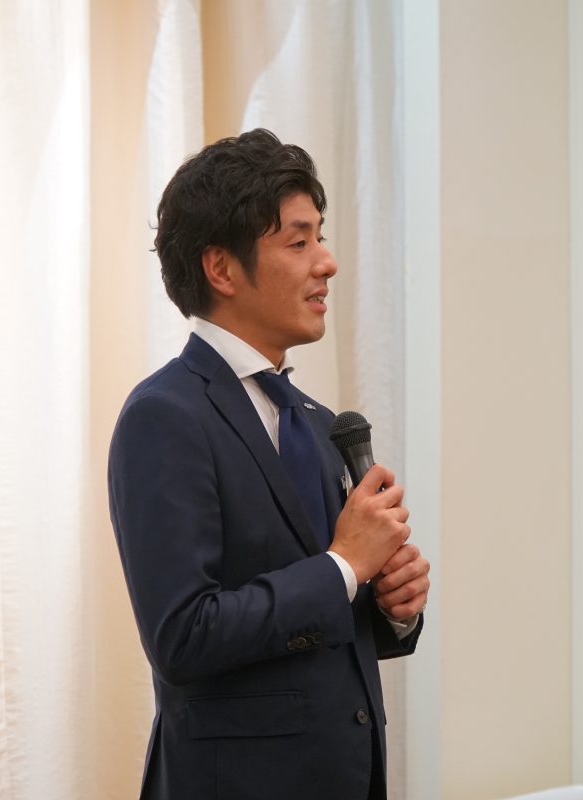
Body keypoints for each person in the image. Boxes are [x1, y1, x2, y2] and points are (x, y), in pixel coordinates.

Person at [107, 128, 430, 800]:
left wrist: (389, 607)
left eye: (321, 238)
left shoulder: (316, 421)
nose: (327, 263)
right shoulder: (164, 415)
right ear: (222, 269)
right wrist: (345, 565)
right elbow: (183, 636)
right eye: (298, 242)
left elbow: (316, 629)